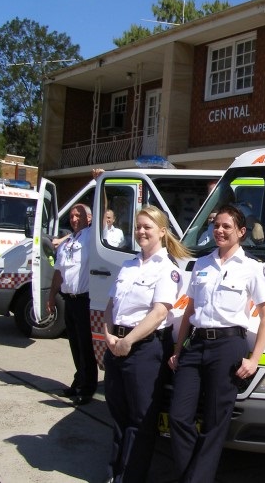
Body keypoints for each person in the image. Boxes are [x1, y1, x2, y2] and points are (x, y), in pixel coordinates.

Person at [168, 204, 265, 483]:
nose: (219, 230)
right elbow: (190, 311)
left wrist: (255, 359)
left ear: (241, 232)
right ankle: (193, 474)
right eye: (216, 225)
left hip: (228, 347)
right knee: (179, 416)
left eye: (227, 226)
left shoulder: (251, 268)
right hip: (196, 345)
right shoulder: (202, 263)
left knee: (215, 423)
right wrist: (178, 350)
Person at [102, 205, 189, 482]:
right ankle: (115, 472)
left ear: (162, 232)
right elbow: (110, 305)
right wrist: (108, 336)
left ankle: (131, 476)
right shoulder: (128, 265)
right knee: (118, 415)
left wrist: (128, 340)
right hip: (116, 345)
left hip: (144, 349)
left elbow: (160, 312)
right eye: (138, 226)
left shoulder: (167, 269)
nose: (140, 231)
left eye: (147, 227)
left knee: (140, 421)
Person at [48, 203, 98, 406]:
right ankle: (78, 381)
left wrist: (99, 183)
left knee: (86, 346)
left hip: (84, 299)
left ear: (89, 218)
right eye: (71, 215)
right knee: (75, 345)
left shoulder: (90, 237)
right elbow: (59, 272)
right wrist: (51, 296)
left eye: (79, 215)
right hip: (68, 299)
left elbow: (101, 214)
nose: (74, 218)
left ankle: (87, 388)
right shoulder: (68, 241)